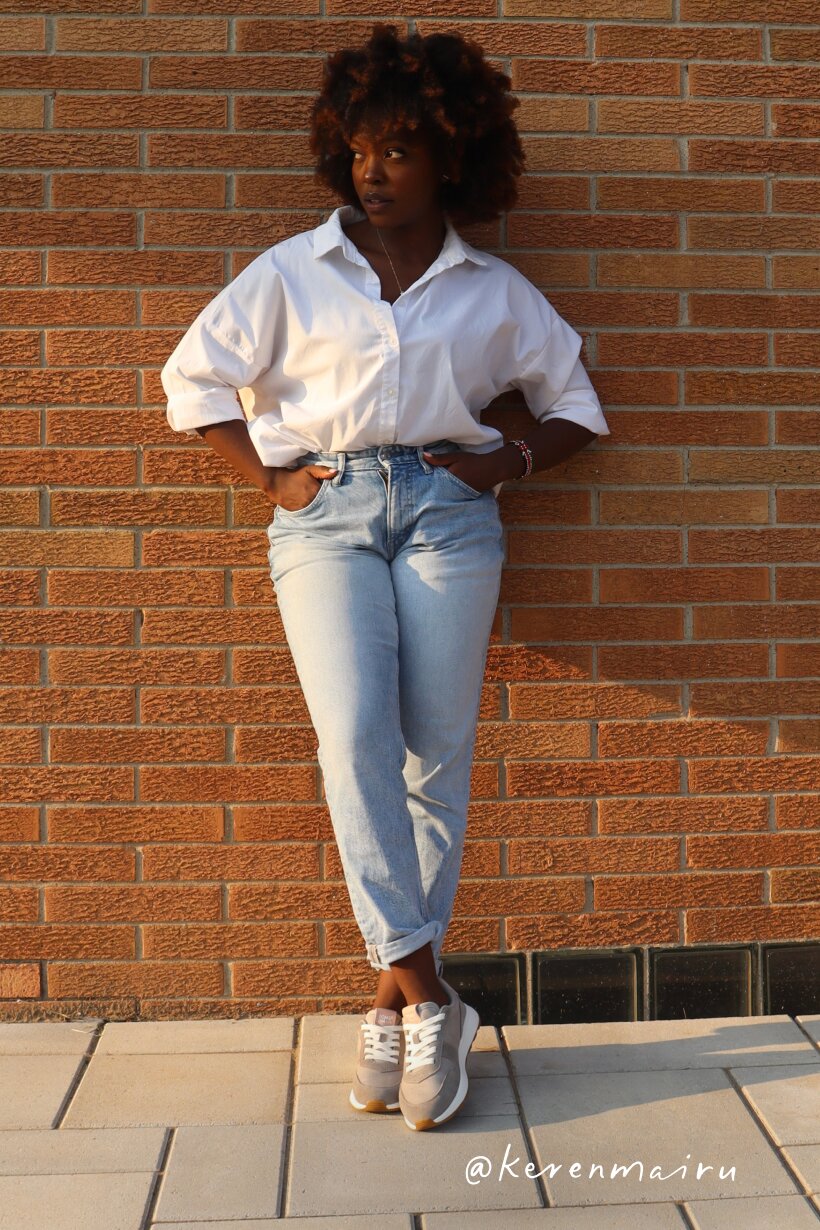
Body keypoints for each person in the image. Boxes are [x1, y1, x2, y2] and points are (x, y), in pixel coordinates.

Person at [160, 23, 610, 1131]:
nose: (376, 166)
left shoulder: (492, 290)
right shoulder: (291, 272)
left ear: (449, 157)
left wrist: (500, 463)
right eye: (361, 146)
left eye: (401, 148)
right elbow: (193, 381)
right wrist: (273, 483)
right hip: (328, 517)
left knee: (434, 759)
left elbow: (576, 410)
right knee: (353, 733)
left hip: (452, 521)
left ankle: (393, 1008)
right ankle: (432, 992)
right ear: (339, 151)